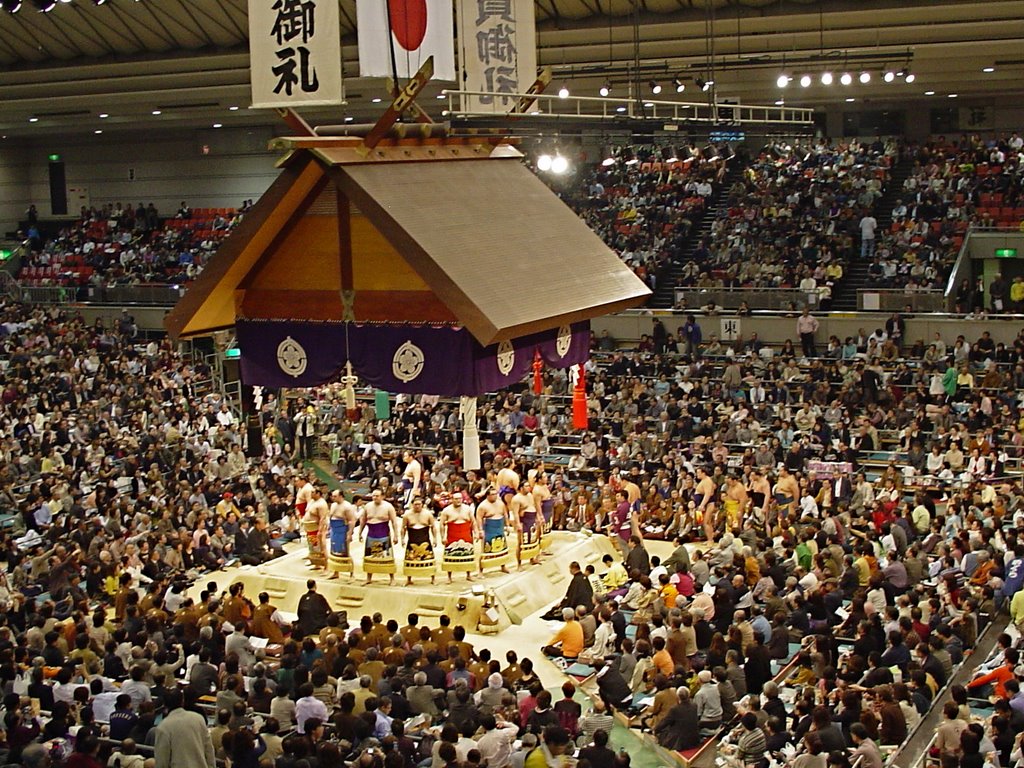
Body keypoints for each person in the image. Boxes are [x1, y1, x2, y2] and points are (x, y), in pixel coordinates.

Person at [154, 688, 216, 768]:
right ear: (182, 701)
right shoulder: (198, 718)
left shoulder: (163, 727)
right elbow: (209, 751)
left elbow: (162, 762)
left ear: (165, 704)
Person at [360, 488, 399, 585]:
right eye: (373, 496)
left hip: (383, 533)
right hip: (371, 534)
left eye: (377, 496)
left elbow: (394, 522)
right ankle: (369, 578)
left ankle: (392, 578)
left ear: (382, 496)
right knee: (370, 556)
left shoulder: (388, 506)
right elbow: (363, 520)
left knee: (387, 556)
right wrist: (360, 532)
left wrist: (396, 535)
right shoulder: (368, 506)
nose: (374, 497)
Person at [440, 492, 479, 582]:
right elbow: (442, 525)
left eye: (460, 498)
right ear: (452, 500)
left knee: (468, 554)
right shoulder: (446, 510)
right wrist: (442, 537)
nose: (458, 500)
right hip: (452, 534)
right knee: (450, 555)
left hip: (466, 534)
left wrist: (476, 532)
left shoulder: (467, 509)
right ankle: (449, 577)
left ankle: (468, 574)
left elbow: (473, 522)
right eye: (456, 499)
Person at [402, 497, 439, 585]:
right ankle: (409, 579)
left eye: (419, 504)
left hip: (425, 539)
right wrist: (402, 539)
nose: (417, 506)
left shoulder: (428, 514)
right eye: (415, 504)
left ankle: (433, 578)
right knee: (410, 560)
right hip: (412, 539)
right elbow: (403, 528)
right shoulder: (407, 515)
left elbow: (433, 527)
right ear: (412, 505)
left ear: (422, 505)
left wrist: (435, 539)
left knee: (429, 559)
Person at [477, 486, 513, 573]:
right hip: (489, 528)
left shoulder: (501, 503)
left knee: (502, 549)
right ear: (487, 495)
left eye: (496, 494)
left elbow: (505, 514)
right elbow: (478, 518)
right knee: (485, 550)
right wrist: (480, 530)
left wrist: (507, 525)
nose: (495, 496)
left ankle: (503, 566)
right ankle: (481, 571)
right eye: (492, 494)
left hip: (500, 527)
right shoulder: (482, 506)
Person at [326, 489, 358, 579]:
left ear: (341, 496)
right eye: (332, 496)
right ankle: (336, 572)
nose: (333, 498)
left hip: (343, 530)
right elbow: (331, 517)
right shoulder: (333, 505)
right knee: (334, 552)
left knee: (345, 552)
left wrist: (349, 533)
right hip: (334, 530)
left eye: (335, 496)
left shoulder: (347, 506)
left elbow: (352, 520)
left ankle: (352, 574)